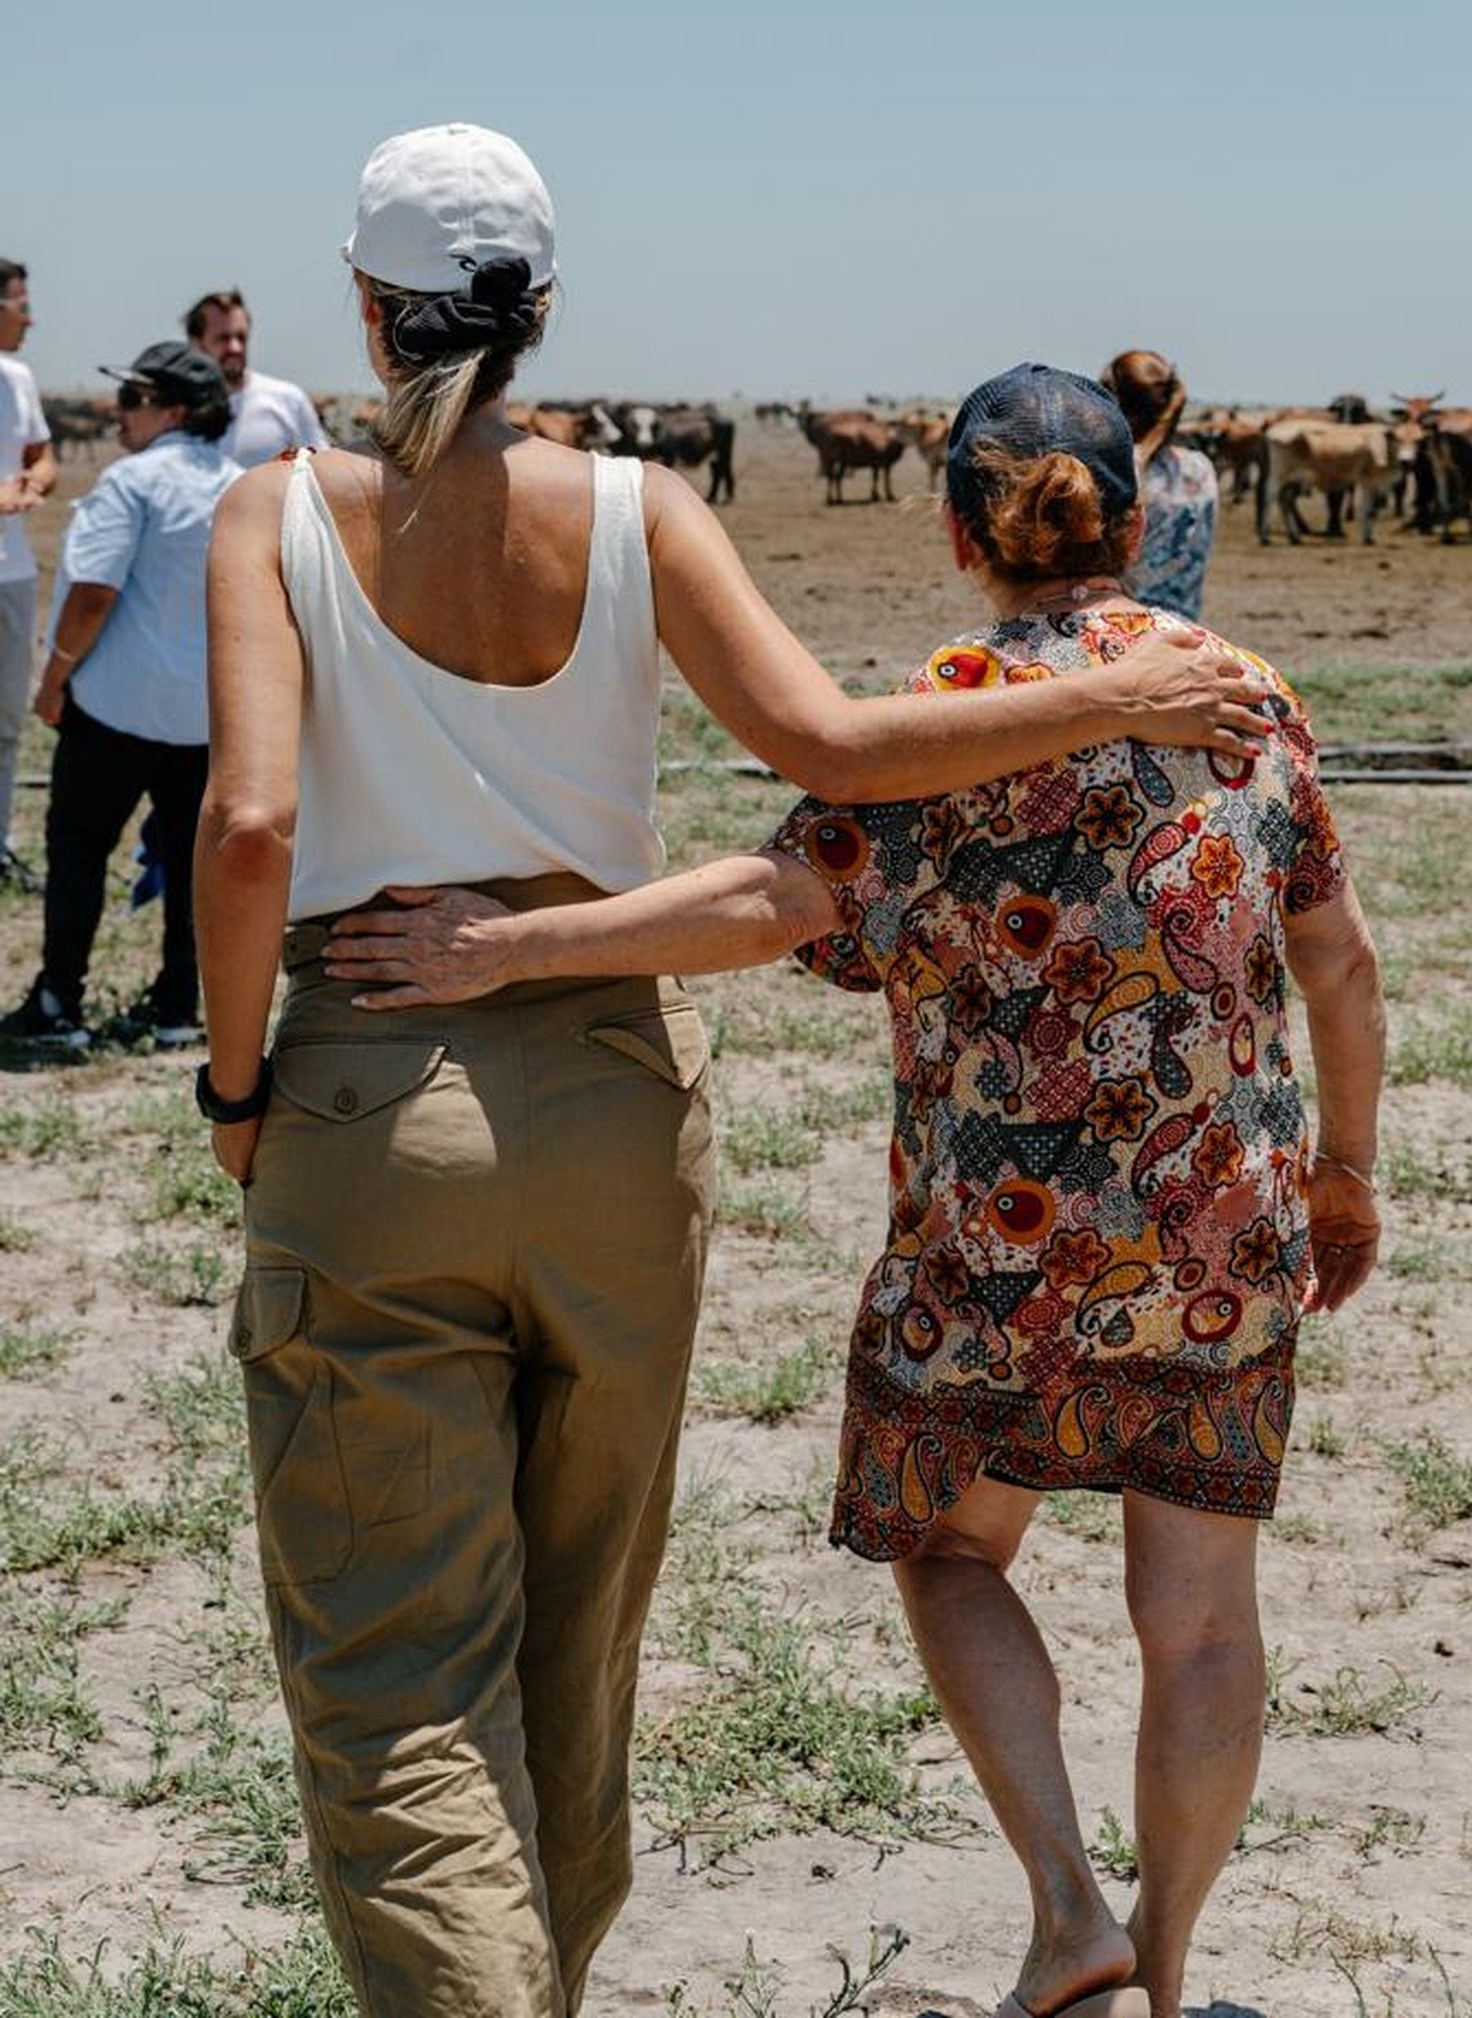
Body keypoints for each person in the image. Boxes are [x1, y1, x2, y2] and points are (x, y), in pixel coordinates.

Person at [193, 126, 1269, 2018]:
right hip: (617, 1096)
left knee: (393, 1668)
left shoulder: (268, 512)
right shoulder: (638, 509)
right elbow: (843, 745)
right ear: (542, 313)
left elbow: (254, 822)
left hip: (374, 1080)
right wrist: (1124, 686)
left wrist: (229, 1087)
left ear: (361, 310)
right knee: (580, 1627)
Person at [330, 363, 1384, 2018]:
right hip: (1220, 1228)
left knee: (956, 1552)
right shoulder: (1246, 690)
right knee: (1200, 1618)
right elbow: (1340, 956)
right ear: (1138, 504)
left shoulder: (957, 703)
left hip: (997, 1252)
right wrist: (1348, 1168)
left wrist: (509, 942)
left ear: (964, 525)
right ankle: (1167, 1979)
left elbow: (771, 900)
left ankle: (1067, 1912)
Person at [0, 343, 238, 1053]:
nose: (119, 412)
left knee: (77, 851)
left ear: (176, 411)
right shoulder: (241, 486)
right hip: (202, 715)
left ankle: (59, 1001)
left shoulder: (129, 483)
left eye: (133, 399)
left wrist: (53, 680)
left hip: (114, 706)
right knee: (194, 867)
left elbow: (93, 593)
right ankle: (175, 1007)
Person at [0, 257, 57, 884]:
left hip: (12, 574)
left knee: (7, 720)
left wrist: (36, 480)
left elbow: (42, 457)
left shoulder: (18, 379)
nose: (32, 317)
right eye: (21, 304)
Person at [1101, 350, 1218, 621]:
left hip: (1120, 633)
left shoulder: (1114, 467)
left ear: (1111, 401)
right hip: (1184, 634)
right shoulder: (1200, 469)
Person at [185, 286, 329, 466]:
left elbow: (321, 467)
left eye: (241, 337)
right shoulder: (176, 410)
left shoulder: (289, 400)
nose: (235, 348)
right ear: (197, 343)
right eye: (223, 338)